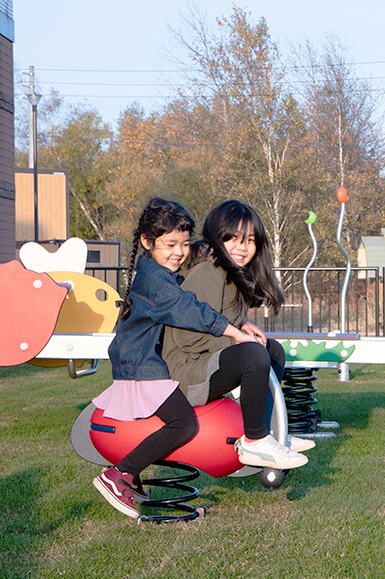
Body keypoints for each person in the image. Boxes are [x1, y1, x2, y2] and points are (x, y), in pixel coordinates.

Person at [91, 198, 263, 519]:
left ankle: (132, 475)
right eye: (170, 244)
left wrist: (238, 325)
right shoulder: (156, 281)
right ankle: (119, 475)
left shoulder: (155, 271)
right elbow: (188, 309)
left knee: (170, 422)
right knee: (182, 424)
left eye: (184, 244)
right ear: (147, 242)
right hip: (141, 368)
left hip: (141, 364)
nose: (179, 252)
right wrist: (234, 333)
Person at [162, 200, 315, 464]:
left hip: (202, 364)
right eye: (232, 238)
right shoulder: (208, 272)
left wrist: (241, 323)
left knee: (272, 351)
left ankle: (269, 431)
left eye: (250, 240)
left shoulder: (230, 274)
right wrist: (235, 335)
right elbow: (188, 337)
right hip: (184, 376)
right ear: (217, 236)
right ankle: (254, 440)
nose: (242, 247)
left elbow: (213, 314)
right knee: (252, 354)